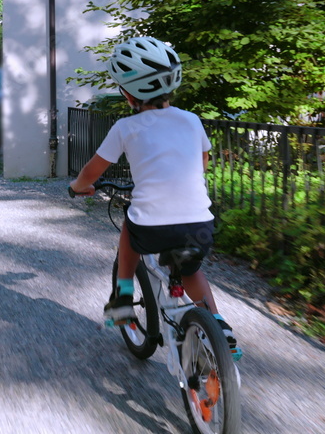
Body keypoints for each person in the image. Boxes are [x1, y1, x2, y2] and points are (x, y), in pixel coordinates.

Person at [69, 36, 241, 360]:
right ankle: (218, 325)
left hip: (154, 227)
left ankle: (122, 297)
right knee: (190, 269)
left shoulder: (125, 127)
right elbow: (202, 162)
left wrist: (79, 186)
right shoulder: (191, 120)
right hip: (200, 222)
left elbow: (92, 171)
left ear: (128, 92)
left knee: (131, 226)